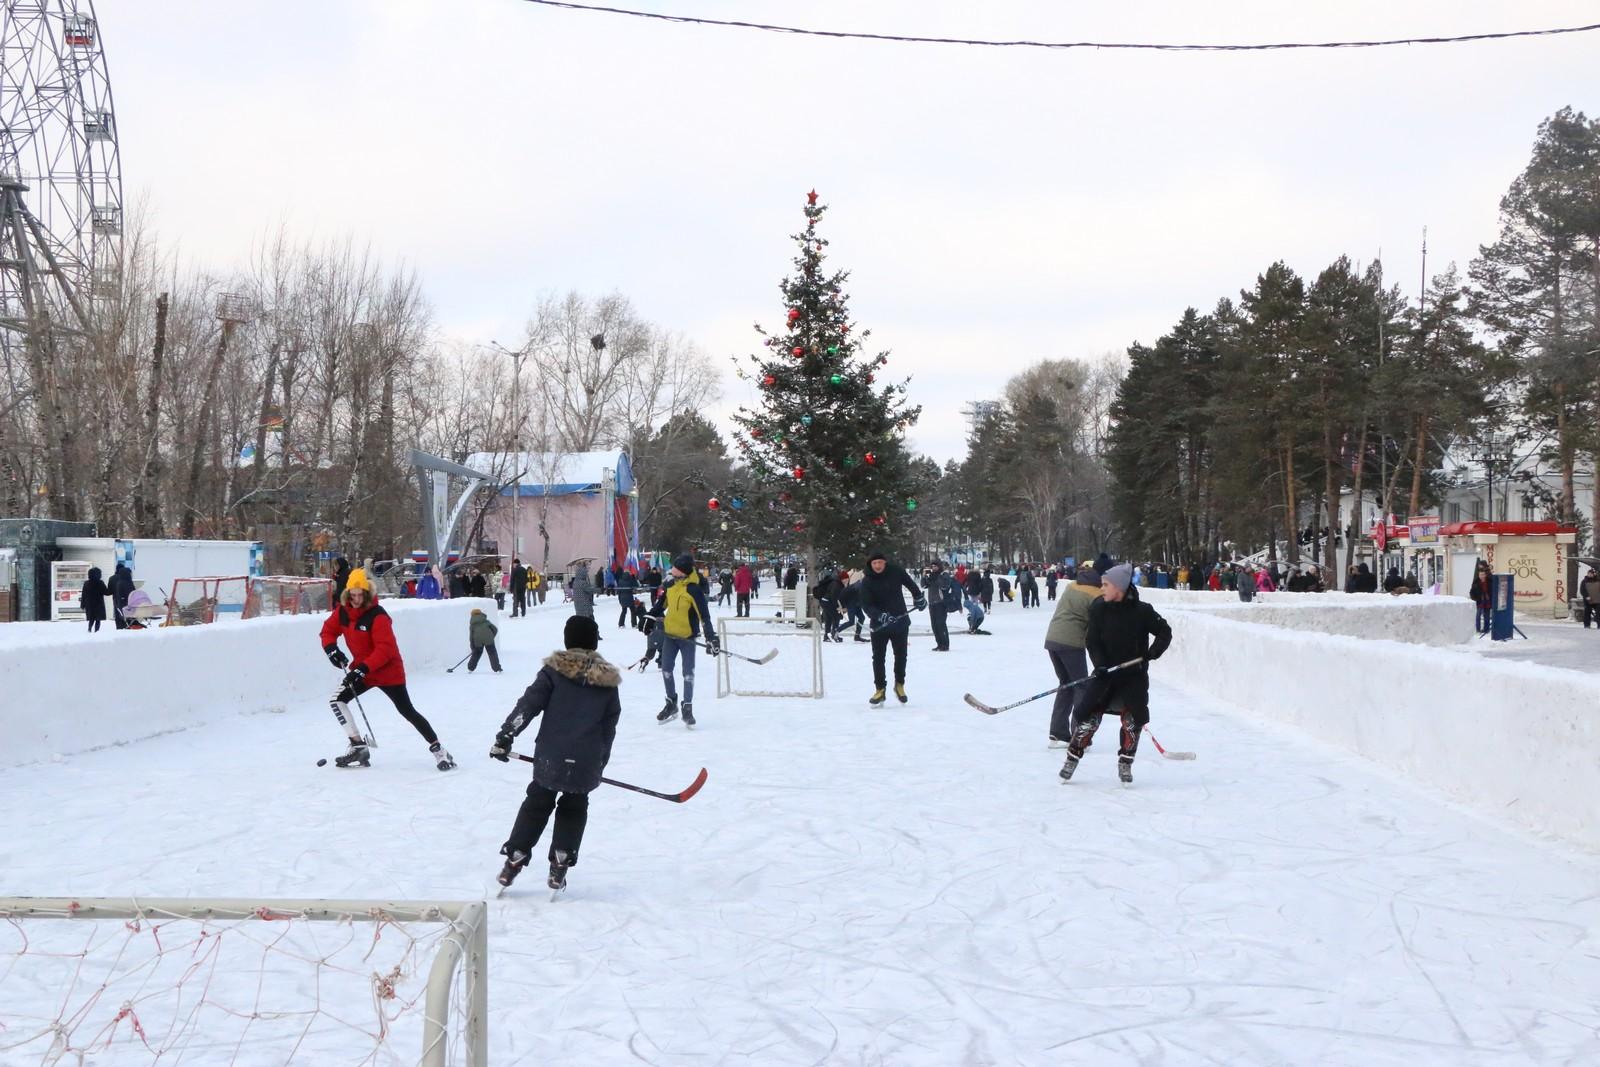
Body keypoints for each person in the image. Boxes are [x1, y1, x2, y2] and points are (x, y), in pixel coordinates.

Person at [490, 615, 621, 893]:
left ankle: (516, 855)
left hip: (551, 757)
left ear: (567, 640)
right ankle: (562, 856)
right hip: (585, 761)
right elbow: (609, 728)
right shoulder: (608, 682)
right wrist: (600, 763)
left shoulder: (553, 672)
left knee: (537, 802)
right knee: (574, 807)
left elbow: (528, 705)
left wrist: (506, 735)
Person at [319, 568, 454, 770]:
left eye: (360, 595)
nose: (356, 599)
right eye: (352, 595)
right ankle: (358, 746)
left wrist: (363, 668)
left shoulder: (377, 616)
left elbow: (386, 649)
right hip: (362, 671)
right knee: (336, 700)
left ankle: (439, 750)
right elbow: (328, 631)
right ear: (347, 594)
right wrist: (331, 649)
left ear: (367, 593)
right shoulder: (343, 612)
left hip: (387, 672)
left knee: (407, 711)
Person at [1060, 564, 1171, 785]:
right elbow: (1092, 641)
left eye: (1105, 585)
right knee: (1088, 719)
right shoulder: (1099, 608)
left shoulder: (1142, 611)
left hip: (1134, 676)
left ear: (1119, 587)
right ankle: (1072, 758)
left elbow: (1164, 631)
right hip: (1105, 675)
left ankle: (1125, 762)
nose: (1102, 589)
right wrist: (1100, 665)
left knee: (1133, 722)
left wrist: (1152, 653)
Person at [650, 553, 718, 727]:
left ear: (684, 572)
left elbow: (704, 616)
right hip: (670, 636)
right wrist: (647, 617)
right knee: (666, 670)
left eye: (676, 569)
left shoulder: (694, 589)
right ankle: (671, 703)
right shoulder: (671, 585)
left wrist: (711, 637)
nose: (672, 571)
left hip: (687, 639)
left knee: (688, 674)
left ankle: (687, 706)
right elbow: (660, 606)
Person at [1044, 566, 1103, 746]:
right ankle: (1079, 733)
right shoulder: (1096, 595)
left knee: (1066, 685)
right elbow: (1097, 627)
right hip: (1071, 643)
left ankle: (1058, 731)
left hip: (1052, 639)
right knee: (1081, 687)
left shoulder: (1071, 586)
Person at [858, 551, 925, 705]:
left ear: (885, 562)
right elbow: (866, 606)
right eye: (874, 563)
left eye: (880, 562)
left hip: (900, 622)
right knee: (878, 658)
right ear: (870, 565)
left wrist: (918, 597)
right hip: (880, 626)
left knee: (901, 655)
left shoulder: (896, 571)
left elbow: (910, 583)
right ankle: (880, 689)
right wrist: (880, 616)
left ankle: (899, 684)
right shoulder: (867, 581)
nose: (877, 566)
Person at [925, 561, 962, 652]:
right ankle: (939, 643)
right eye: (932, 566)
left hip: (941, 603)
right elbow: (924, 585)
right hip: (932, 602)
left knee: (941, 624)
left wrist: (938, 577)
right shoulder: (931, 576)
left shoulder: (943, 575)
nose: (933, 568)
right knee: (934, 625)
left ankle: (945, 644)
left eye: (935, 566)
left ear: (939, 566)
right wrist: (925, 576)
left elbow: (944, 586)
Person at [812, 568, 844, 642]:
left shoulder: (831, 581)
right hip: (828, 602)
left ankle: (827, 636)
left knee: (829, 619)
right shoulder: (836, 584)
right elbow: (834, 596)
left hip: (824, 601)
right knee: (836, 617)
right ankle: (833, 635)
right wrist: (837, 606)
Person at [467, 607, 503, 673]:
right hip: (488, 639)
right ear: (480, 614)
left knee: (477, 653)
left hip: (477, 640)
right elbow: (495, 629)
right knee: (492, 653)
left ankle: (470, 668)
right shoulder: (486, 621)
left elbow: (471, 637)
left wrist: (473, 647)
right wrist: (491, 636)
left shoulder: (472, 625)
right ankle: (497, 668)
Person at [840, 568, 868, 642]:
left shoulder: (862, 583)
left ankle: (857, 636)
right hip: (851, 604)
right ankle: (835, 631)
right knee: (851, 622)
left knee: (862, 618)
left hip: (856, 604)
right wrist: (844, 606)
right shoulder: (860, 585)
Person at [79, 566, 109, 632]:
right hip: (98, 604)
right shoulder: (100, 583)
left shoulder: (87, 583)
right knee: (98, 619)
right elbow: (106, 592)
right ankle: (96, 631)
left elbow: (84, 594)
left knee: (91, 618)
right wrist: (112, 589)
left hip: (89, 604)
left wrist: (82, 604)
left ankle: (89, 629)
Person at [109, 563, 135, 629]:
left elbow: (109, 591)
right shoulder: (128, 579)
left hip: (116, 598)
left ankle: (119, 627)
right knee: (126, 613)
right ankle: (127, 625)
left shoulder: (112, 578)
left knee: (118, 613)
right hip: (128, 599)